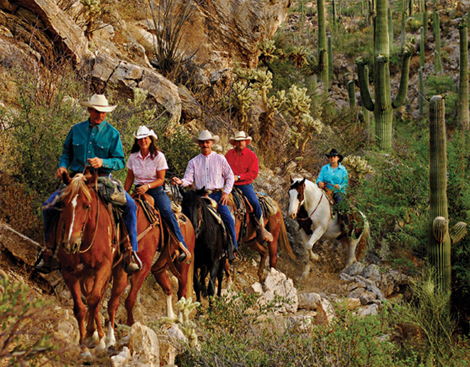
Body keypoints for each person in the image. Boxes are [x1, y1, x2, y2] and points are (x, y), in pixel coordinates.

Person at [35, 94, 141, 274]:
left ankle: (130, 252)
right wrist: (62, 166)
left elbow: (120, 161)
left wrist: (103, 162)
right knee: (48, 207)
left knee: (130, 206)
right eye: (98, 111)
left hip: (102, 179)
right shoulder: (76, 130)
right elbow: (66, 153)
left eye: (104, 112)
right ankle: (49, 250)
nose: (101, 115)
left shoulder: (113, 134)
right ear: (90, 110)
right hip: (76, 179)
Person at [124, 125, 192, 263]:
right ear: (137, 141)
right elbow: (130, 177)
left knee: (167, 212)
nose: (143, 141)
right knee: (122, 209)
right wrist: (125, 193)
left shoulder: (158, 156)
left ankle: (181, 244)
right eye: (140, 139)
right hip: (138, 189)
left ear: (150, 139)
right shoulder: (133, 157)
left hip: (155, 190)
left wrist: (147, 186)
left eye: (145, 138)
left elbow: (161, 180)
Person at [172, 130, 241, 263]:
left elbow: (230, 176)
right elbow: (188, 179)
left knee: (228, 218)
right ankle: (181, 248)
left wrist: (226, 192)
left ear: (211, 143)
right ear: (199, 144)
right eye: (202, 142)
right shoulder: (193, 162)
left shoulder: (220, 159)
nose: (205, 144)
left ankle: (233, 249)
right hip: (199, 197)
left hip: (217, 195)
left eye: (207, 142)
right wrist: (181, 182)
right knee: (186, 218)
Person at [225, 131, 273, 242]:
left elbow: (253, 173)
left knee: (255, 203)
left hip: (244, 185)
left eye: (242, 140)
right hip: (228, 184)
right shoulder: (229, 154)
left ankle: (260, 227)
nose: (240, 143)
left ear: (246, 142)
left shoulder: (251, 156)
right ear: (235, 143)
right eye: (238, 141)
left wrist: (239, 177)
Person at [316, 148, 349, 225]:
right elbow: (320, 178)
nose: (332, 158)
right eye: (331, 157)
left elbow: (346, 183)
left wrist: (340, 186)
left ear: (338, 158)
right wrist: (319, 182)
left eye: (334, 157)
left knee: (340, 202)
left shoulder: (343, 170)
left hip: (338, 191)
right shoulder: (324, 168)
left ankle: (344, 222)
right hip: (326, 190)